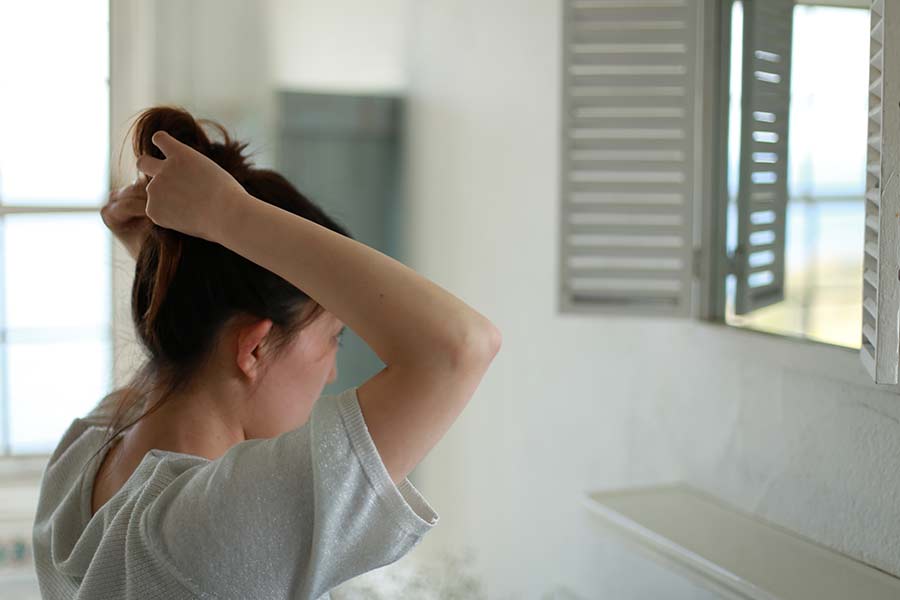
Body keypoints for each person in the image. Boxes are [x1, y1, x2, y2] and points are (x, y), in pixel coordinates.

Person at [31, 106, 502, 599]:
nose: (332, 370)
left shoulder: (81, 457)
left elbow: (192, 350)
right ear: (253, 349)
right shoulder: (212, 533)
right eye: (333, 337)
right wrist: (225, 215)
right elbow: (459, 347)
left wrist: (172, 254)